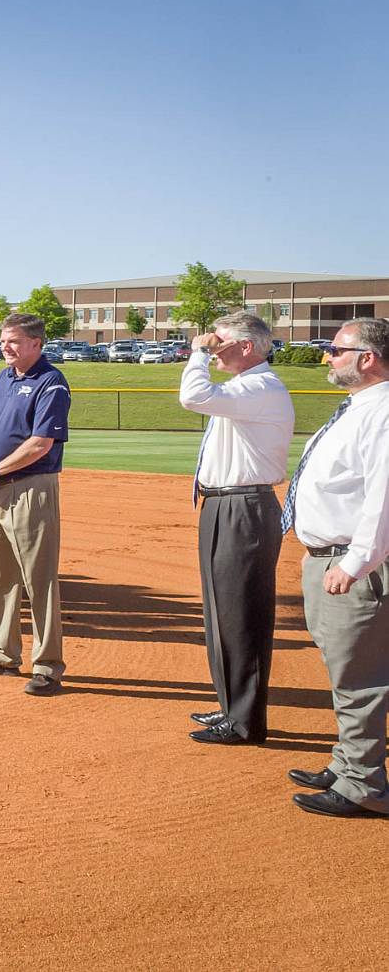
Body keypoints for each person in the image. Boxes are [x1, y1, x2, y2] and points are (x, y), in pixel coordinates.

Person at [281, 318, 389, 818]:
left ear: (367, 357)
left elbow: (383, 498)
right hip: (328, 556)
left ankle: (363, 784)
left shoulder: (383, 410)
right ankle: (348, 763)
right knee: (344, 668)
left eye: (335, 349)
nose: (327, 357)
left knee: (359, 677)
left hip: (354, 563)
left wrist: (355, 561)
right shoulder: (360, 407)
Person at [179, 312, 294, 746]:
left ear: (247, 347)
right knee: (221, 612)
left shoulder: (259, 386)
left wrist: (197, 354)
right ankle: (231, 705)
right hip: (225, 505)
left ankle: (245, 721)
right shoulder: (245, 388)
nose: (212, 345)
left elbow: (192, 396)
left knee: (241, 616)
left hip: (244, 508)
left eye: (220, 341)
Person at [0, 313, 71, 696]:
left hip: (29, 488)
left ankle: (48, 665)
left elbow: (41, 444)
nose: (6, 347)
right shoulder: (2, 378)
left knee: (39, 577)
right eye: (4, 341)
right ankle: (3, 651)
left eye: (15, 341)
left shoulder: (50, 382)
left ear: (37, 343)